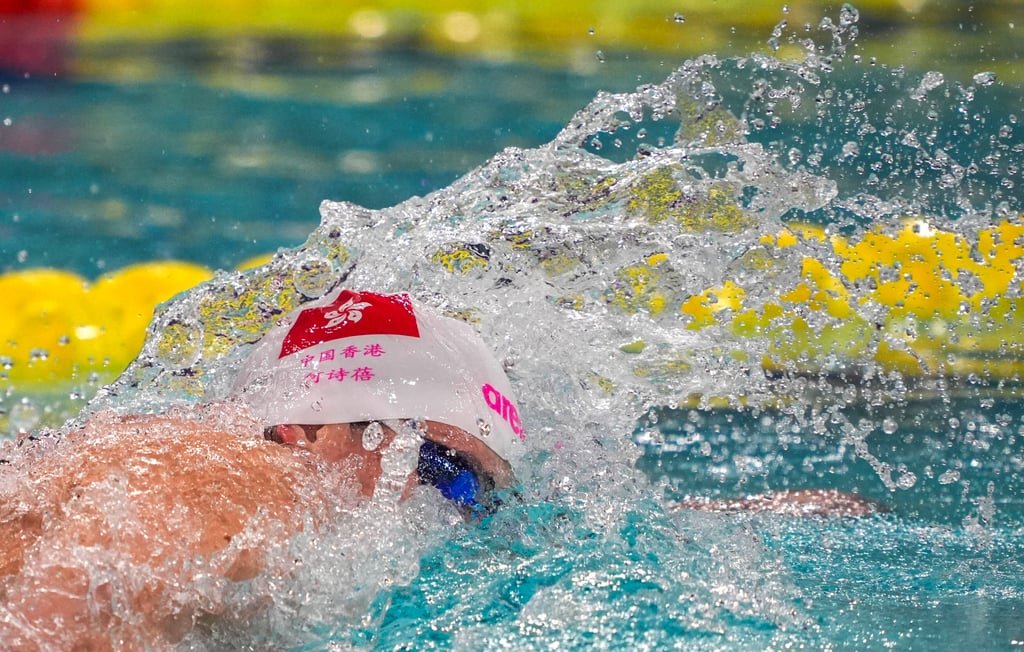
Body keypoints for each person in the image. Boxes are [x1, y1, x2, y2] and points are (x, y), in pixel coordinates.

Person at [0, 287, 883, 648]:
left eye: (477, 494)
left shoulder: (199, 463)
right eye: (440, 469)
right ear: (308, 432)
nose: (451, 513)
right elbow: (69, 611)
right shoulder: (236, 475)